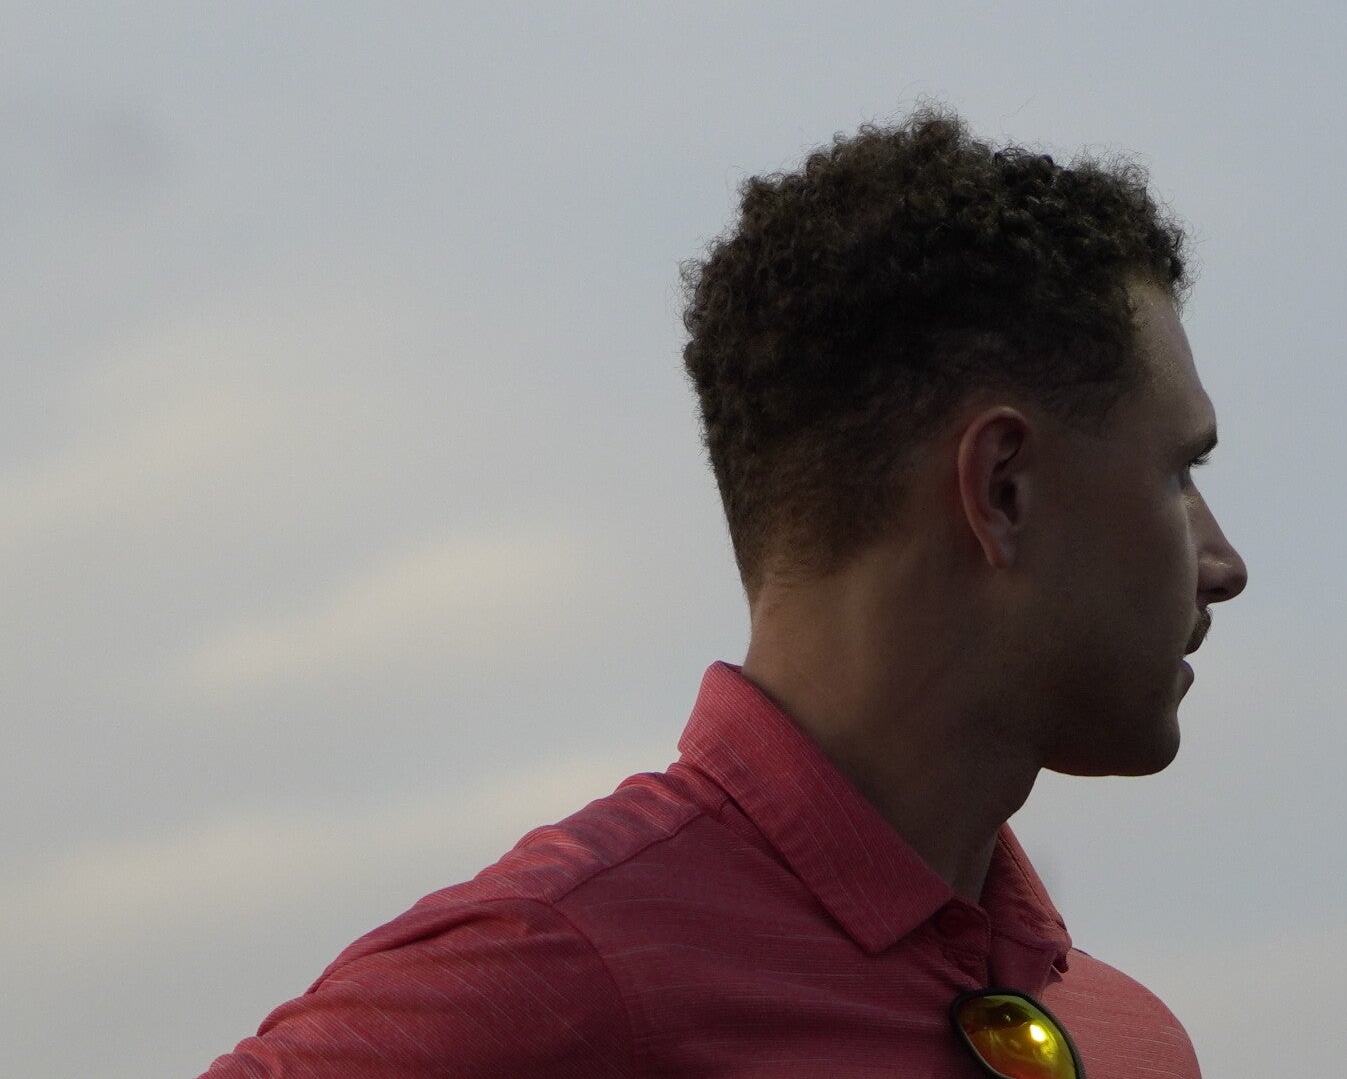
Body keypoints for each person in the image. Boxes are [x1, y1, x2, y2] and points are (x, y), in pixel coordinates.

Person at [203, 106, 1247, 1078]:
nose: (1223, 563)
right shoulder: (558, 974)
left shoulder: (1129, 1041)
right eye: (1177, 474)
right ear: (1002, 489)